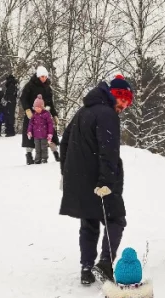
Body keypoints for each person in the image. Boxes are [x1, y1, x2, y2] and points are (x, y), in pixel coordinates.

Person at [59, 74, 133, 285]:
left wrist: (66, 173)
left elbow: (64, 143)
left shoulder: (83, 111)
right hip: (100, 180)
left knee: (89, 222)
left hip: (80, 180)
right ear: (114, 95)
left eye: (128, 103)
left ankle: (86, 268)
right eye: (123, 99)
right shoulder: (107, 114)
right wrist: (106, 182)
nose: (125, 106)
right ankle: (105, 263)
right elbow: (108, 151)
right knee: (116, 218)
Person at [20, 66, 56, 165]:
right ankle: (29, 155)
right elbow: (23, 98)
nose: (44, 78)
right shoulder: (30, 85)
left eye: (45, 76)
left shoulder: (48, 88)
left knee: (48, 136)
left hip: (44, 116)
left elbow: (50, 102)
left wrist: (54, 114)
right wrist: (27, 109)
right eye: (42, 76)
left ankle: (51, 155)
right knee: (29, 136)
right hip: (31, 115)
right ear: (38, 76)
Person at [26, 95, 54, 164]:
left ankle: (44, 159)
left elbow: (50, 124)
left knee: (44, 148)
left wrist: (50, 133)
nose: (37, 109)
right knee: (37, 149)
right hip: (36, 136)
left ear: (42, 107)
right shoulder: (34, 115)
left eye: (39, 107)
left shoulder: (46, 114)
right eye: (36, 107)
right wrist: (29, 131)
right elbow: (31, 124)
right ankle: (37, 159)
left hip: (44, 135)